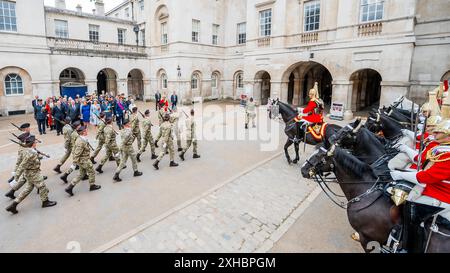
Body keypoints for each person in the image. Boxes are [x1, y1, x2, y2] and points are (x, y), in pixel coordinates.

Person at [390, 120, 450, 207]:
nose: (434, 133)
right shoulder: (441, 149)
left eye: (438, 132)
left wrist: (400, 175)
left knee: (406, 203)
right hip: (432, 184)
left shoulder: (447, 155)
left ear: (448, 137)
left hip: (441, 193)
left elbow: (428, 176)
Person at [6, 135, 57, 214]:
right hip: (33, 173)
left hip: (30, 173)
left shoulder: (30, 150)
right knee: (42, 186)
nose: (36, 143)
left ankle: (13, 205)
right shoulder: (30, 153)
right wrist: (16, 177)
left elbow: (34, 158)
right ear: (33, 143)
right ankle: (45, 202)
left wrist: (43, 157)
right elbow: (22, 165)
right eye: (35, 142)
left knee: (28, 189)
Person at [65, 126, 101, 196]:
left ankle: (70, 187)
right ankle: (92, 185)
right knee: (91, 172)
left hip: (82, 160)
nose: (87, 131)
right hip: (84, 160)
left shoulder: (81, 139)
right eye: (85, 130)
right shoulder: (80, 141)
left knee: (81, 174)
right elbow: (77, 153)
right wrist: (74, 163)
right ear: (83, 132)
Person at [4, 132, 31, 200]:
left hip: (29, 168)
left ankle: (11, 192)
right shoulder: (24, 149)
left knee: (24, 179)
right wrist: (16, 176)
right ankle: (15, 202)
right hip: (29, 168)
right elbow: (22, 163)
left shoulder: (24, 146)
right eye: (27, 138)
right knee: (32, 181)